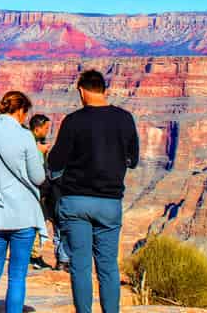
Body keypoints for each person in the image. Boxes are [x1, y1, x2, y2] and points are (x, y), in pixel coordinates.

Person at [48, 70, 140, 313]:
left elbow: (56, 161)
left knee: (80, 266)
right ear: (104, 89)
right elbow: (134, 159)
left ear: (81, 90)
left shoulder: (73, 121)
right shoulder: (125, 119)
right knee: (108, 266)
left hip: (76, 201)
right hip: (109, 202)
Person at [0, 90, 47, 313]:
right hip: (22, 215)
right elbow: (38, 177)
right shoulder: (25, 137)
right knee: (17, 275)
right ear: (21, 110)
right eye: (25, 113)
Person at [28, 114, 68, 271]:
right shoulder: (32, 144)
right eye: (45, 128)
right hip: (37, 191)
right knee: (39, 224)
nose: (47, 131)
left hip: (41, 191)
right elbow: (36, 170)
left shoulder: (34, 142)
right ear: (37, 128)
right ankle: (35, 257)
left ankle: (39, 257)